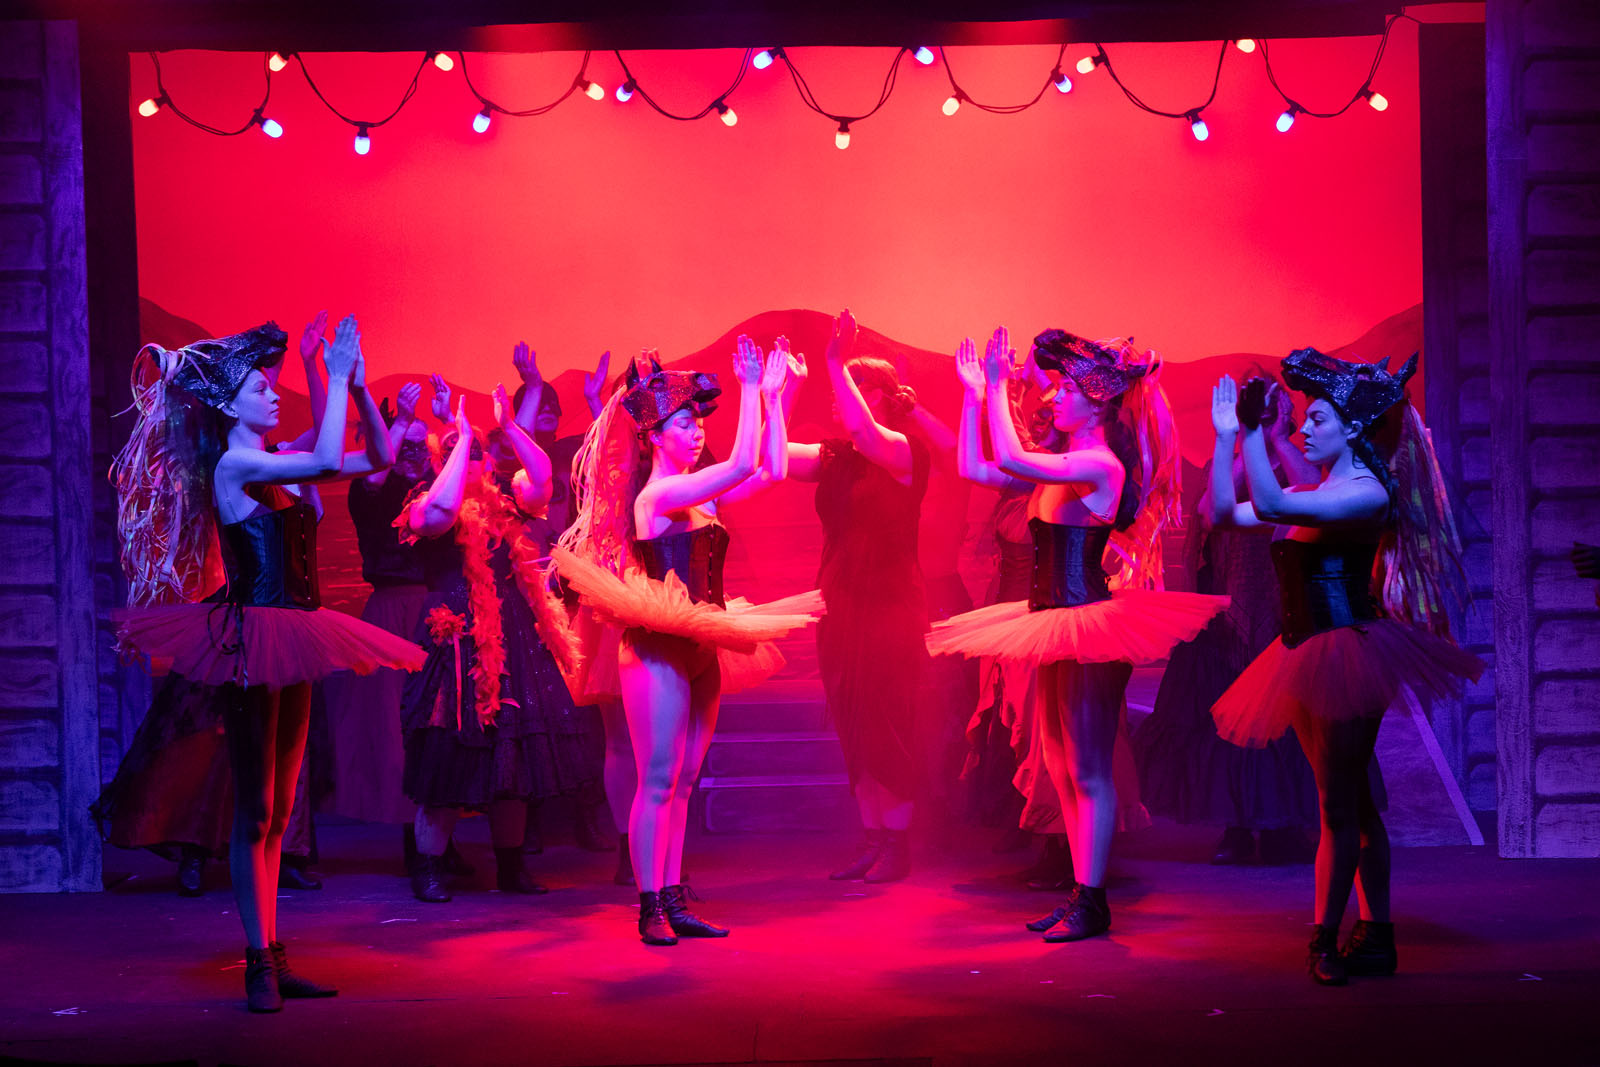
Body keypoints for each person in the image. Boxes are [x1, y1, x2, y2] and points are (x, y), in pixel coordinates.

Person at [112, 316, 425, 1012]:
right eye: (261, 388)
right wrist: (333, 376)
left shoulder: (275, 458)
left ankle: (274, 951)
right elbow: (325, 461)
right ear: (230, 407)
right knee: (255, 810)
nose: (275, 393)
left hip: (296, 633)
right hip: (254, 639)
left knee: (282, 809)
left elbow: (375, 456)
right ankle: (259, 958)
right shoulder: (236, 465)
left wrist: (360, 389)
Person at [929, 327, 1228, 942]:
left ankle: (1093, 900)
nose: (1053, 398)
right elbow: (972, 465)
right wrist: (972, 394)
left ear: (1097, 405)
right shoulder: (1060, 465)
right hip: (1051, 622)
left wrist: (996, 387)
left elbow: (1012, 457)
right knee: (1060, 765)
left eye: (1066, 390)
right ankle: (1078, 888)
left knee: (1086, 768)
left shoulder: (1097, 464)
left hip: (1087, 624)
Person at [1208, 351, 1482, 985]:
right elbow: (1224, 515)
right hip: (1303, 653)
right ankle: (1377, 933)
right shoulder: (1317, 492)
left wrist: (1252, 432)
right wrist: (1227, 439)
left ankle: (1324, 939)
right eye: (1304, 417)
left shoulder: (1366, 495)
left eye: (1317, 418)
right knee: (1350, 802)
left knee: (1336, 806)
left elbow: (1267, 503)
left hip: (1348, 653)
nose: (1304, 429)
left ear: (1353, 428)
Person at [552, 339, 815, 944]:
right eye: (684, 424)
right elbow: (743, 463)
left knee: (687, 778)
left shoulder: (702, 493)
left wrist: (776, 398)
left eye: (699, 423)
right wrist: (750, 389)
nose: (697, 433)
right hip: (657, 646)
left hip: (703, 643)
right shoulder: (657, 497)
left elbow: (770, 468)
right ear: (653, 437)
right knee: (659, 777)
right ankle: (649, 905)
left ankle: (674, 895)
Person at [399, 383, 593, 904]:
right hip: (454, 640)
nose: (472, 457)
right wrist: (461, 439)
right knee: (445, 756)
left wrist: (507, 427)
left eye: (478, 451)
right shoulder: (423, 503)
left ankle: (511, 866)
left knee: (515, 756)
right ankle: (429, 867)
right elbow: (440, 511)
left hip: (512, 639)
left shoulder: (506, 503)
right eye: (458, 451)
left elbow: (543, 480)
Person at [1133, 375, 1324, 865]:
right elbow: (1208, 511)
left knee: (1286, 721)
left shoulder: (1297, 460)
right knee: (1224, 720)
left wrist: (1278, 438)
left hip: (1285, 608)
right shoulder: (1229, 464)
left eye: (1274, 403)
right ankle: (1236, 827)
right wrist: (1244, 438)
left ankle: (1283, 826)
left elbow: (1310, 489)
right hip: (1232, 612)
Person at [774, 310, 932, 885]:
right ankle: (871, 838)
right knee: (853, 721)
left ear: (882, 397)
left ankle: (898, 843)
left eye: (854, 387)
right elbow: (771, 459)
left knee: (888, 721)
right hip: (840, 603)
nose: (839, 398)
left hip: (890, 606)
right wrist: (782, 393)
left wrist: (834, 361)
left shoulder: (907, 451)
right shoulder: (837, 456)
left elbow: (868, 435)